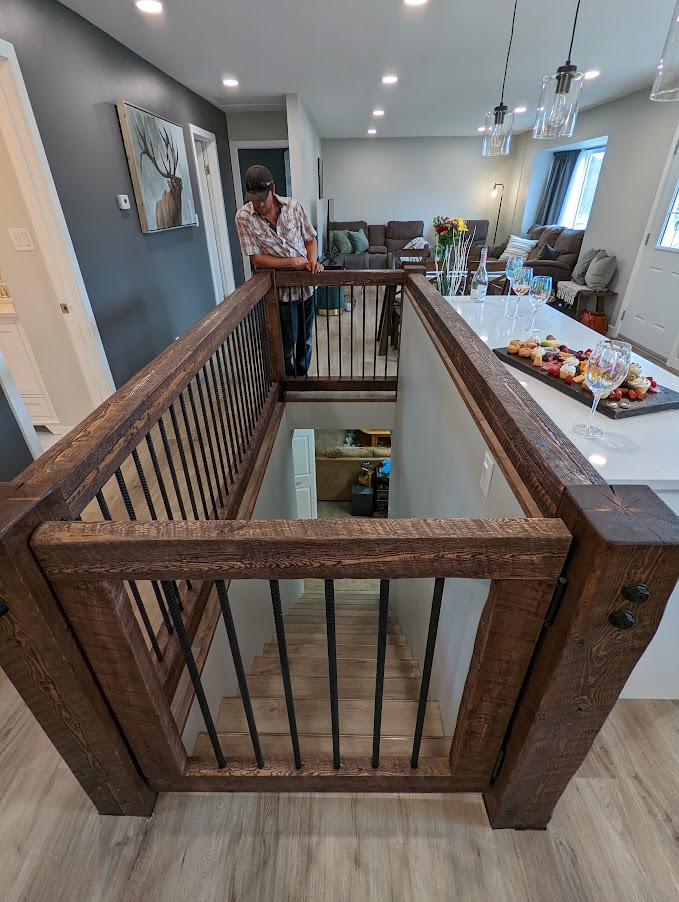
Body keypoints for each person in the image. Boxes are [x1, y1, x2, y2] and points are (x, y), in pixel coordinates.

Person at [235, 165, 323, 377]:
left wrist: (311, 262)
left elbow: (310, 239)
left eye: (263, 198)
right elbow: (256, 258)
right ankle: (287, 381)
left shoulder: (293, 207)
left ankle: (301, 377)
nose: (260, 204)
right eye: (255, 199)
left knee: (305, 338)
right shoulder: (243, 218)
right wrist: (291, 263)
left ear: (273, 189)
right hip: (279, 294)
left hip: (307, 289)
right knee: (284, 342)